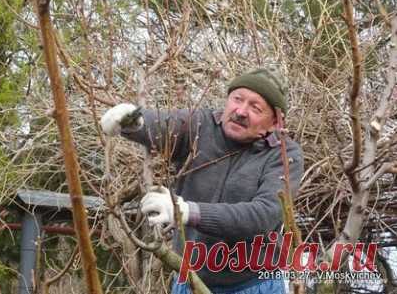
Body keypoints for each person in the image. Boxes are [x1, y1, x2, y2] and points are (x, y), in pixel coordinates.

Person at [100, 69, 304, 294]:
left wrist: (187, 211)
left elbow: (263, 215)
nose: (241, 111)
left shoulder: (283, 155)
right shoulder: (200, 125)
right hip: (189, 282)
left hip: (253, 285)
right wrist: (134, 122)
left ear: (274, 123)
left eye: (256, 108)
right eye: (237, 99)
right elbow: (164, 126)